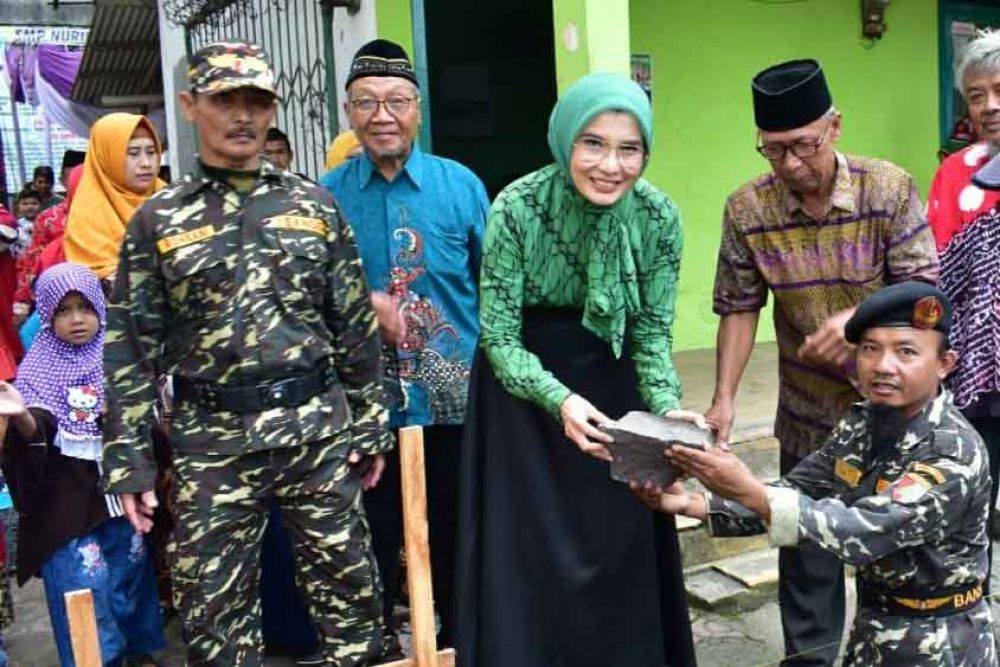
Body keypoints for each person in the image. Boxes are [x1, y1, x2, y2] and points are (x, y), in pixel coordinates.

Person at [102, 41, 393, 665]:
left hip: (315, 435)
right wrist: (130, 461)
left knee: (352, 599)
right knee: (212, 612)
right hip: (212, 444)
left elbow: (353, 326)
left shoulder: (315, 207)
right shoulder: (159, 220)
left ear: (273, 108)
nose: (242, 116)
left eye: (256, 101)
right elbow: (130, 346)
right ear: (190, 106)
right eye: (223, 99)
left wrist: (371, 424)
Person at [454, 72, 698, 667]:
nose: (610, 165)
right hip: (524, 400)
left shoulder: (659, 218)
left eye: (629, 148)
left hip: (615, 391)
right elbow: (500, 337)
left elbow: (650, 334)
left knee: (623, 543)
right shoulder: (516, 207)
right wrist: (558, 399)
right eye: (593, 143)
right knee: (528, 559)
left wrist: (666, 408)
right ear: (566, 142)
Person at [706, 59, 940, 666]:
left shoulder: (888, 188)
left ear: (834, 127)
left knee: (897, 564)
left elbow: (924, 293)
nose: (789, 165)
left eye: (802, 146)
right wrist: (725, 398)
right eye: (773, 151)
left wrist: (859, 320)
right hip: (809, 420)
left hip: (897, 423)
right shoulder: (747, 209)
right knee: (806, 564)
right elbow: (738, 306)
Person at [639, 281, 997, 666]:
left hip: (942, 644)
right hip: (875, 628)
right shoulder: (864, 423)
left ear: (945, 364)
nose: (883, 366)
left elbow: (861, 530)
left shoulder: (953, 450)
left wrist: (748, 491)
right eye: (870, 349)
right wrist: (693, 503)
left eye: (906, 352)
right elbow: (800, 489)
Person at [321, 38, 489, 648]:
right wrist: (364, 306)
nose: (382, 115)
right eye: (366, 102)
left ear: (418, 108)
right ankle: (380, 645)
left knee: (456, 528)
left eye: (396, 101)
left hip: (454, 402)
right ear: (349, 112)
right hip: (364, 408)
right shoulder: (326, 197)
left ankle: (457, 639)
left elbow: (491, 288)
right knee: (371, 534)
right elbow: (306, 298)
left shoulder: (461, 187)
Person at [0, 263, 165, 667]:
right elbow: (37, 425)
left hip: (119, 495)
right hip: (69, 506)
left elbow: (151, 419)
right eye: (63, 310)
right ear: (47, 315)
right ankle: (96, 661)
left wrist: (125, 411)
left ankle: (137, 653)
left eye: (86, 307)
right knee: (82, 585)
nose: (76, 320)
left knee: (131, 576)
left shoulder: (119, 359)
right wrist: (21, 418)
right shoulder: (37, 370)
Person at [926, 28, 1000, 589]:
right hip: (976, 376)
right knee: (972, 504)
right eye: (977, 95)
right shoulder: (957, 173)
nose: (990, 105)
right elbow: (935, 279)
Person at [62, 113, 164, 286]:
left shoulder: (169, 198)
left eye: (151, 152)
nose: (146, 163)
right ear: (107, 157)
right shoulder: (88, 218)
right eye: (133, 153)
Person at [13, 165, 84, 323]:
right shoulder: (49, 218)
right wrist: (22, 300)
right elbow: (32, 260)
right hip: (56, 294)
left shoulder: (112, 218)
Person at [13, 189, 41, 257]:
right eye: (25, 204)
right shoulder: (14, 226)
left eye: (34, 203)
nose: (30, 207)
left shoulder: (47, 223)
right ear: (19, 207)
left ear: (40, 205)